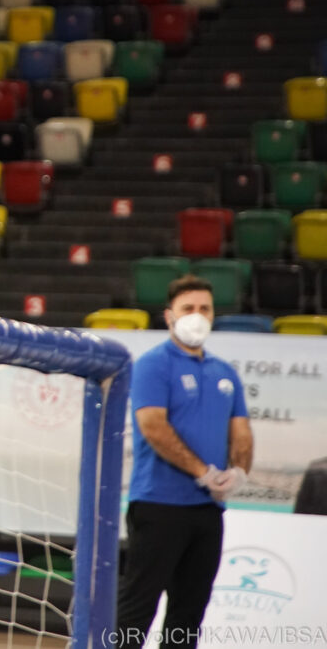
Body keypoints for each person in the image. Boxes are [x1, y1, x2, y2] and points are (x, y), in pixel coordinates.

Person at [116, 274, 253, 649]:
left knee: (188, 616)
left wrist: (239, 471)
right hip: (159, 504)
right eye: (188, 308)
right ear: (169, 316)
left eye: (204, 309)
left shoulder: (225, 372)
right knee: (136, 610)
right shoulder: (153, 364)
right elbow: (153, 426)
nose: (197, 315)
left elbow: (241, 431)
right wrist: (203, 472)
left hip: (207, 511)